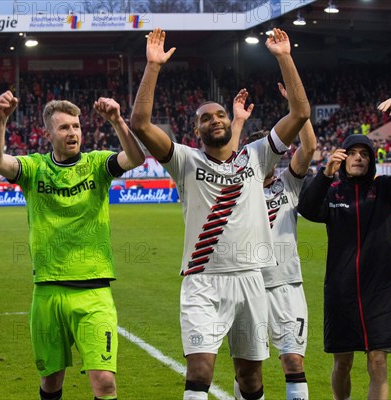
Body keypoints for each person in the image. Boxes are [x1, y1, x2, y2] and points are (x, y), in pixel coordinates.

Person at [130, 28, 310, 400]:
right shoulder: (185, 162)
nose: (214, 118)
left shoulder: (256, 156)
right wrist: (152, 67)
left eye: (219, 114)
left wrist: (284, 57)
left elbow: (300, 112)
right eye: (205, 117)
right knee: (200, 370)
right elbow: (141, 124)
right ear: (196, 131)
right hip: (203, 281)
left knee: (251, 378)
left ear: (229, 122)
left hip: (250, 279)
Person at [0, 92, 145, 400]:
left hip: (94, 291)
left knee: (105, 382)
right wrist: (0, 120)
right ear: (47, 134)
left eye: (76, 127)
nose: (72, 133)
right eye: (64, 128)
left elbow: (136, 158)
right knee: (51, 383)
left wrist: (117, 121)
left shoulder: (97, 164)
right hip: (48, 290)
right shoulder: (34, 169)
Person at [298, 95, 391, 400]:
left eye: (364, 153)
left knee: (377, 362)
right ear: (343, 158)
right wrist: (324, 174)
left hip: (380, 292)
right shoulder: (332, 193)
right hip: (341, 292)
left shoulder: (385, 191)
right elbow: (307, 209)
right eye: (352, 153)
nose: (359, 157)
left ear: (372, 160)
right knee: (343, 362)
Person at [234, 83, 316, 400]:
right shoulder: (238, 188)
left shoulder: (288, 184)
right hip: (246, 284)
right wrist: (237, 121)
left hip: (286, 284)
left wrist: (298, 107)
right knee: (247, 371)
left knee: (293, 360)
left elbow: (308, 148)